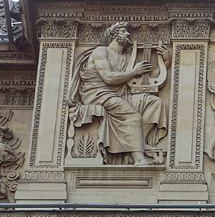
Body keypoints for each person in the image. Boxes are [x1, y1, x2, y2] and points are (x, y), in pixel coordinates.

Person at [66, 22, 169, 165]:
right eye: (122, 31)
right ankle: (139, 158)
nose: (127, 34)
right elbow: (108, 77)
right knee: (132, 115)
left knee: (155, 103)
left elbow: (149, 79)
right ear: (112, 34)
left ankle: (135, 146)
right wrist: (134, 72)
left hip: (119, 96)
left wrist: (166, 61)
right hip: (98, 94)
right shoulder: (101, 51)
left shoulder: (127, 57)